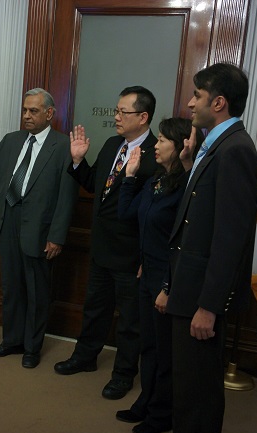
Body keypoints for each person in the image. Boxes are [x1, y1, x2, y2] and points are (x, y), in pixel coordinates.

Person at [145, 63, 257, 433]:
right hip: (187, 287)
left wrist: (209, 307)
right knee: (187, 387)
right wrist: (191, 163)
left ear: (219, 102)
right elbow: (196, 220)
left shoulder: (237, 149)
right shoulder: (214, 145)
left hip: (202, 298)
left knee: (201, 391)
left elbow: (230, 241)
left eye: (197, 95)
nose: (189, 103)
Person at [54, 86, 158, 400]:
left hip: (130, 254)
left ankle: (123, 375)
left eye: (122, 112)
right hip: (100, 248)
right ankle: (84, 357)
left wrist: (146, 256)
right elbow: (95, 186)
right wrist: (77, 162)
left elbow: (152, 213)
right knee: (95, 308)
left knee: (129, 321)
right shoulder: (114, 144)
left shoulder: (157, 153)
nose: (115, 117)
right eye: (115, 110)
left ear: (143, 117)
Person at [0, 88, 78, 369]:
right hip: (7, 222)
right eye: (24, 110)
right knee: (12, 288)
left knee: (36, 291)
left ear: (49, 114)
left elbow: (67, 197)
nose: (27, 116)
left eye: (33, 111)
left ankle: (32, 347)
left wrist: (57, 236)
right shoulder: (11, 140)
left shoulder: (62, 146)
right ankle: (11, 341)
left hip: (40, 230)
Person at [116, 118, 204, 433]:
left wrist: (167, 286)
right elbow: (127, 216)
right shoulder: (156, 179)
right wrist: (128, 178)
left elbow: (182, 242)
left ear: (180, 146)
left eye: (163, 139)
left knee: (166, 352)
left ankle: (161, 413)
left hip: (170, 279)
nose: (156, 144)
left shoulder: (186, 186)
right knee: (149, 346)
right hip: (147, 272)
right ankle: (146, 402)